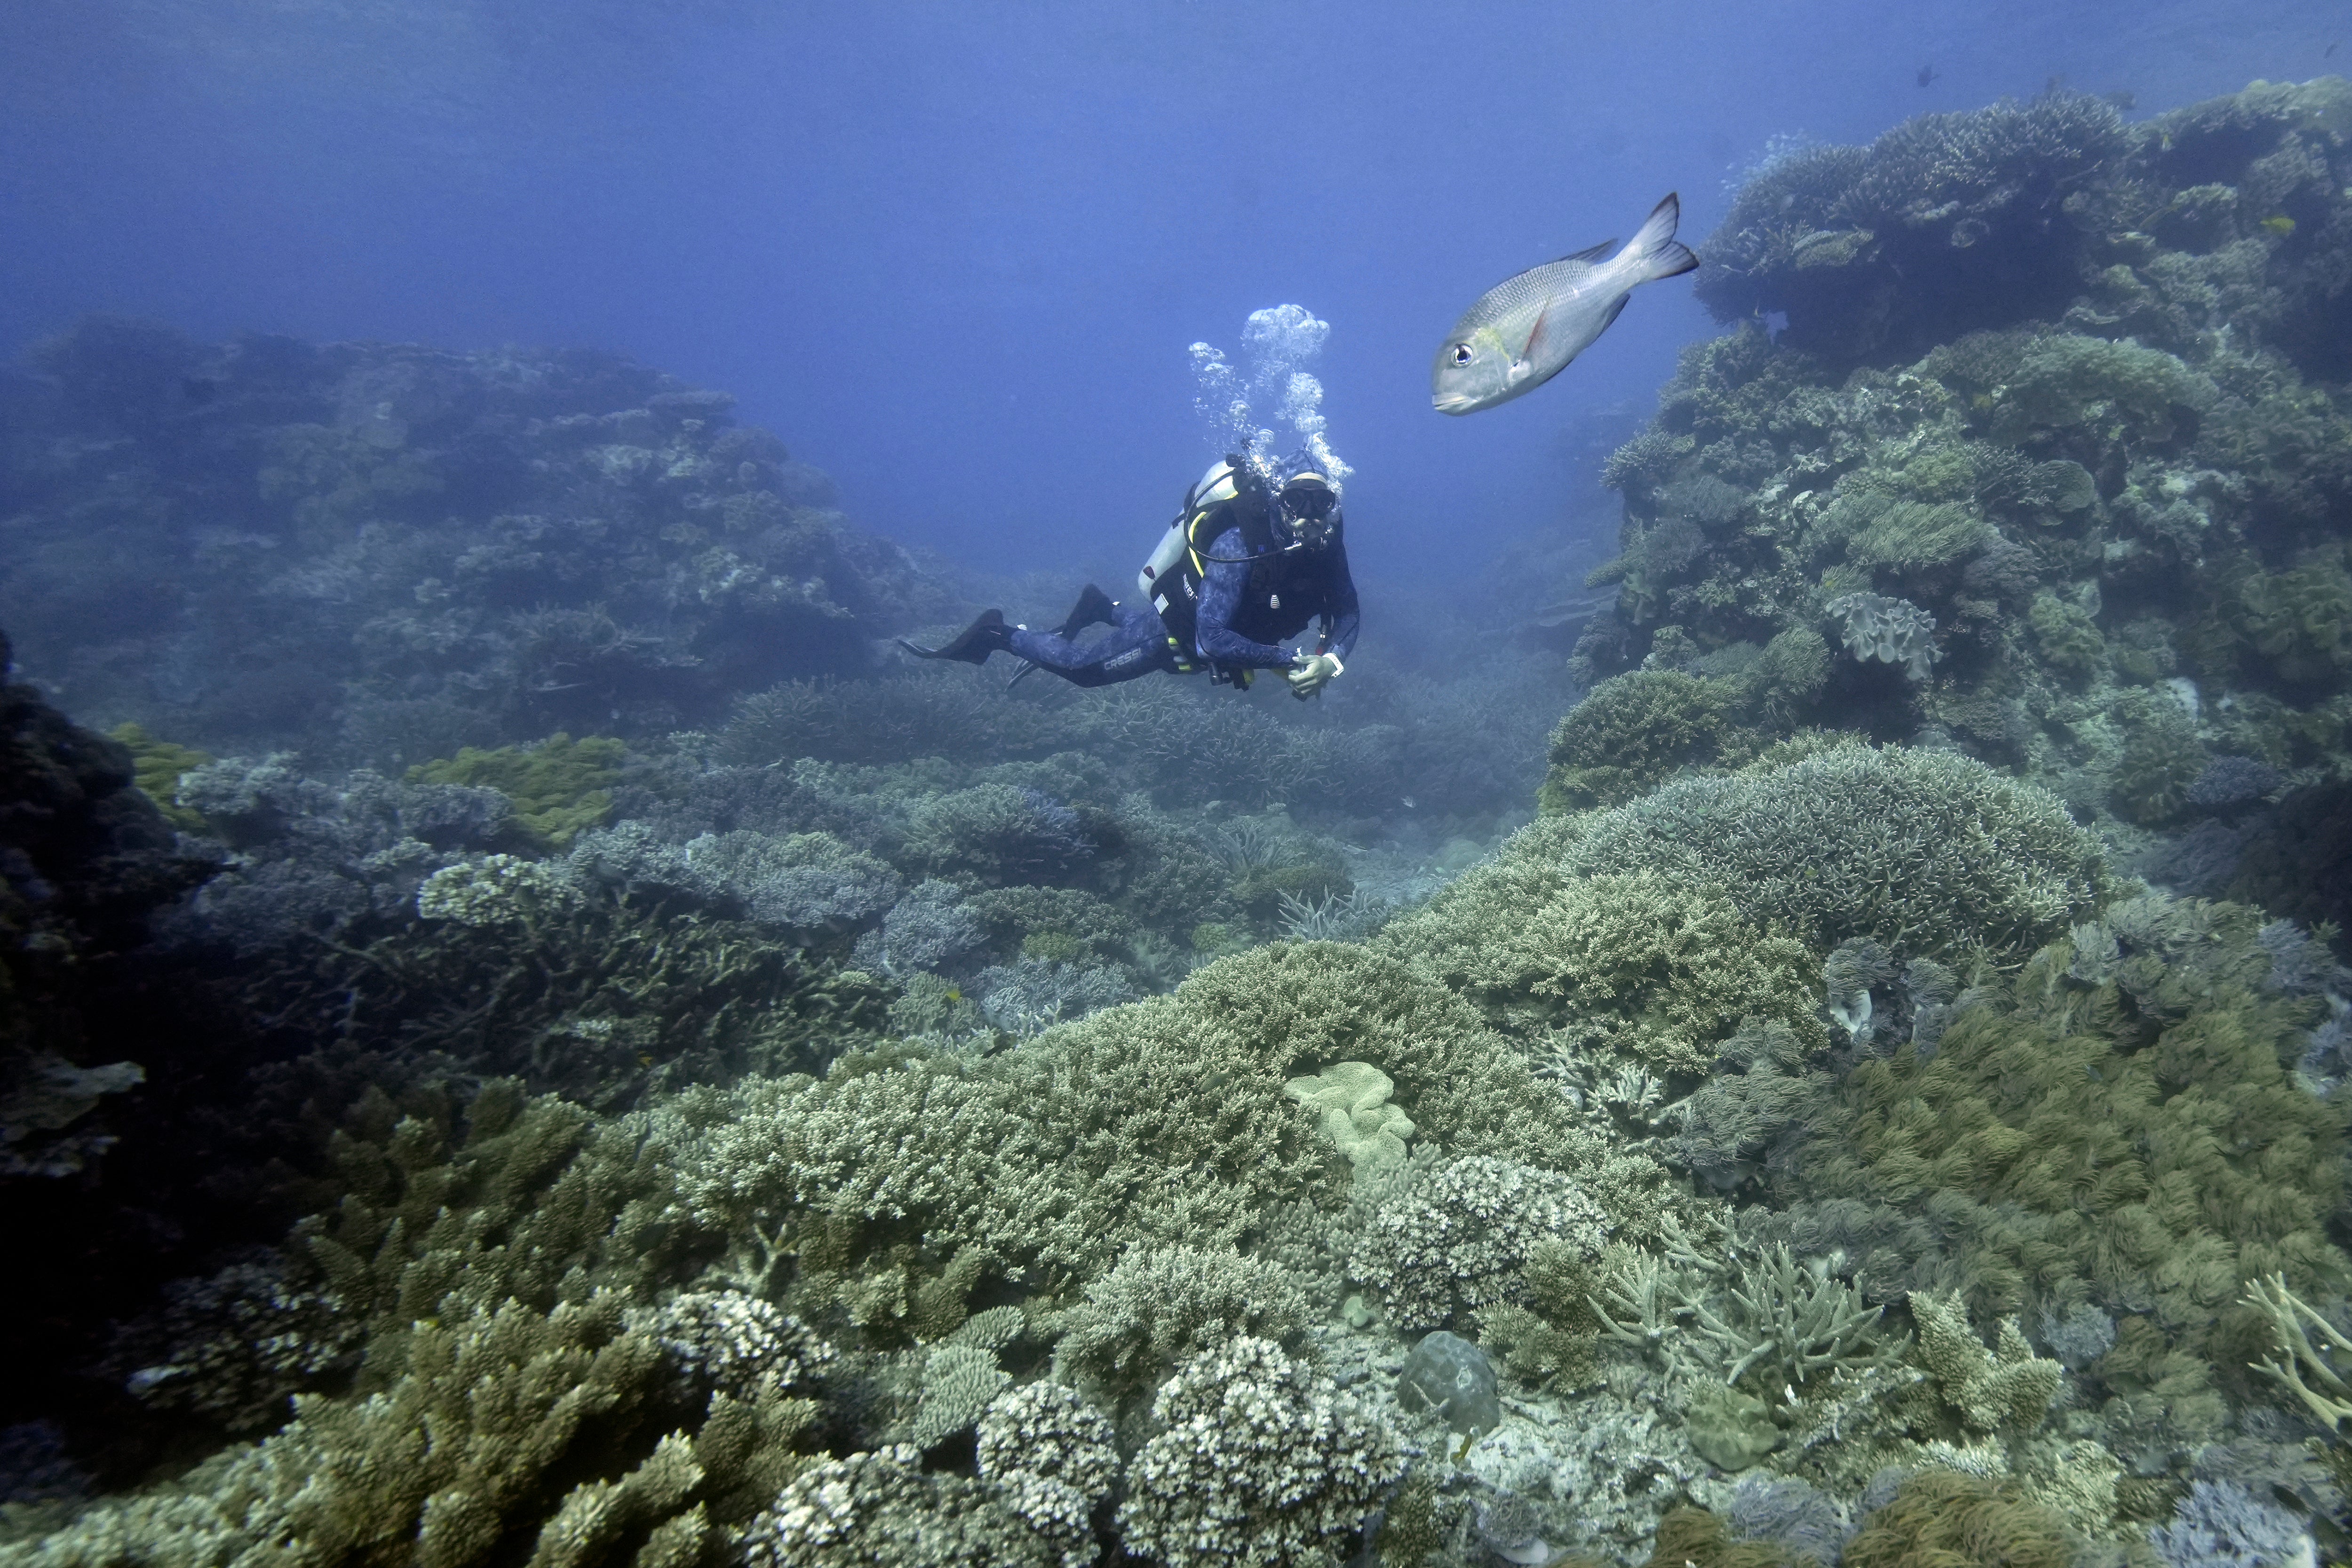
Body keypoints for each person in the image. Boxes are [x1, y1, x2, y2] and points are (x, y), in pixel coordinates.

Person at [900, 453, 1359, 700]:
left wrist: (1331, 662)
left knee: (1138, 627)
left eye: (1321, 504)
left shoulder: (1325, 551)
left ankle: (1101, 608)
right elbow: (1212, 639)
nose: (1309, 517)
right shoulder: (1238, 544)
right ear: (1280, 503)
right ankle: (999, 633)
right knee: (1084, 672)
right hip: (1176, 636)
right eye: (1296, 502)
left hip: (1203, 632)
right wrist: (1291, 662)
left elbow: (1349, 614)